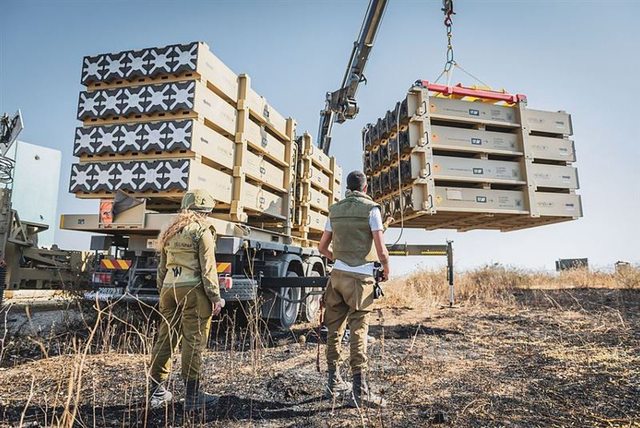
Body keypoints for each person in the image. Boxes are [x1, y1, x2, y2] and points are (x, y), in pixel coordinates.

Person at [318, 170, 390, 408]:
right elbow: (381, 250)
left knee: (334, 329)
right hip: (360, 279)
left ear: (347, 188)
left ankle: (333, 383)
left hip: (336, 277)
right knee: (358, 330)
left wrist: (338, 259)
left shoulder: (334, 210)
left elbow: (322, 247)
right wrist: (386, 269)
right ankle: (359, 392)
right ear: (365, 188)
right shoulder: (372, 210)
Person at [148, 189, 225, 412]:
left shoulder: (170, 231)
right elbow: (208, 269)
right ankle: (193, 396)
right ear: (205, 211)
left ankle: (157, 391)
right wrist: (215, 297)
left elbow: (161, 269)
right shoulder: (202, 231)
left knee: (166, 337)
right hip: (193, 291)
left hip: (168, 289)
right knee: (193, 340)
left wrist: (163, 292)